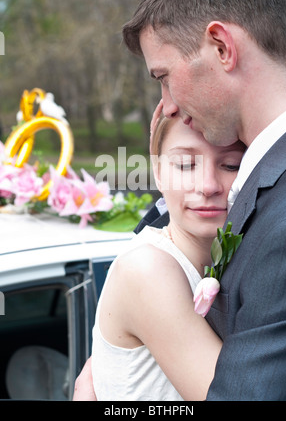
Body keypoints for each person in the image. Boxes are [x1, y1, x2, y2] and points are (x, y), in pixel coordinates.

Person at [122, 0, 286, 400]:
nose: (169, 106)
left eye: (163, 76)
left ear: (221, 47)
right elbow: (171, 220)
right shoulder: (264, 166)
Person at [74, 112, 245, 401]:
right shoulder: (147, 269)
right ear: (157, 172)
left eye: (231, 165)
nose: (208, 185)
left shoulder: (230, 260)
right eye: (185, 164)